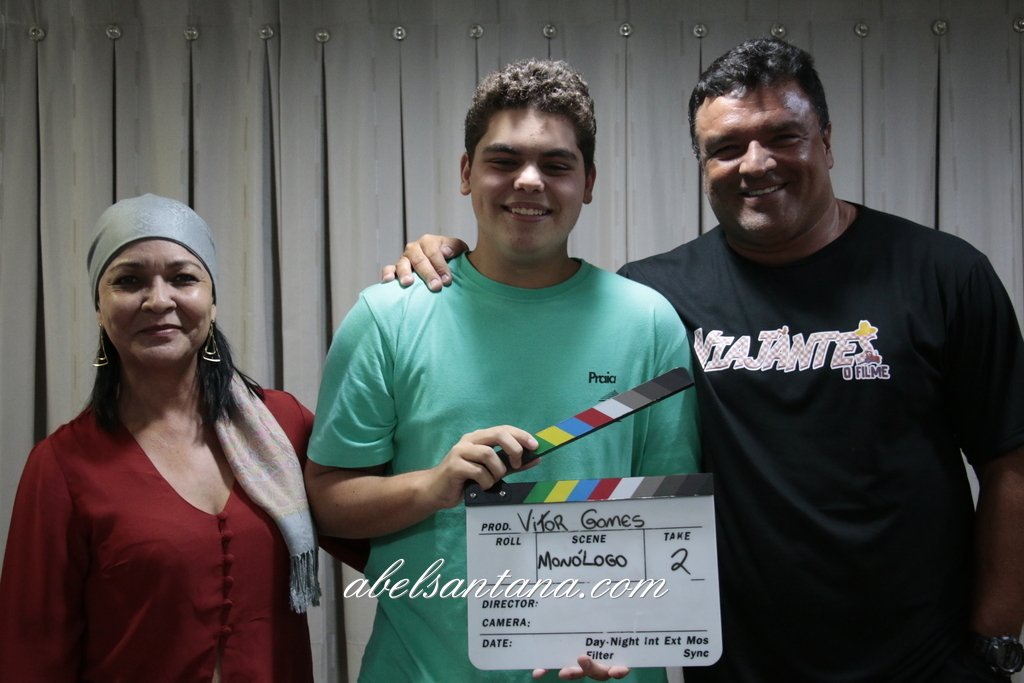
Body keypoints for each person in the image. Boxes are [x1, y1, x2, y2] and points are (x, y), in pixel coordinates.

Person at [384, 38, 1024, 682]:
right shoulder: (654, 301)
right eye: (726, 147)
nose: (756, 163)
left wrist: (995, 639)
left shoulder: (945, 275)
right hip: (736, 665)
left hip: (924, 663)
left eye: (783, 136)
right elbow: (619, 479)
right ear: (703, 163)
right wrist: (457, 260)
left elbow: (1010, 463)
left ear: (826, 142)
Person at [304, 60, 701, 682]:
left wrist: (636, 634)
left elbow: (672, 515)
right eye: (503, 160)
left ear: (589, 182)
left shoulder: (649, 322)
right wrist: (432, 487)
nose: (529, 181)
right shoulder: (387, 317)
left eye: (557, 165)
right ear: (467, 172)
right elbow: (327, 501)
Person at [0, 193, 367, 682]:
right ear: (99, 309)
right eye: (129, 280)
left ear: (212, 303)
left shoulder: (282, 425)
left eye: (183, 278)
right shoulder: (62, 467)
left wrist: (446, 271)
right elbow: (31, 653)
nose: (158, 300)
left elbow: (385, 542)